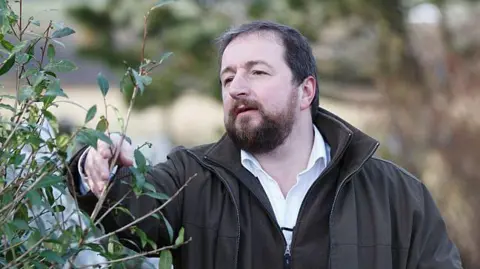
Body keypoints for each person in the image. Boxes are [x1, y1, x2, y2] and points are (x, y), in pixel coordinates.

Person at [67, 21, 463, 269]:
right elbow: (130, 216)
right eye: (227, 78)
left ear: (305, 90)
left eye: (257, 72)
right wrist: (92, 163)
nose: (237, 87)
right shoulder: (190, 177)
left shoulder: (396, 195)